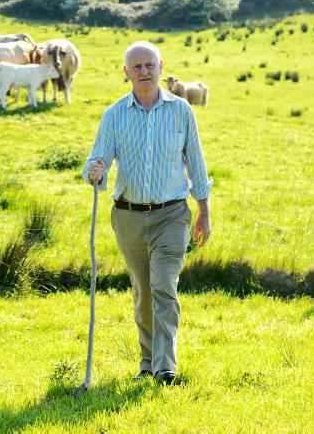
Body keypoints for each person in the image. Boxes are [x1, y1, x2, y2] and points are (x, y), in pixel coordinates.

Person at [82, 41, 212, 385]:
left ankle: (164, 367)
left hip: (172, 215)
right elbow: (98, 159)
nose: (143, 72)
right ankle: (146, 363)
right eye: (136, 67)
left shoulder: (182, 111)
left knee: (164, 285)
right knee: (142, 291)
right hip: (128, 216)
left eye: (149, 65)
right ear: (126, 72)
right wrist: (93, 171)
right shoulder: (114, 115)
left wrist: (204, 212)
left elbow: (196, 164)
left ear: (160, 66)